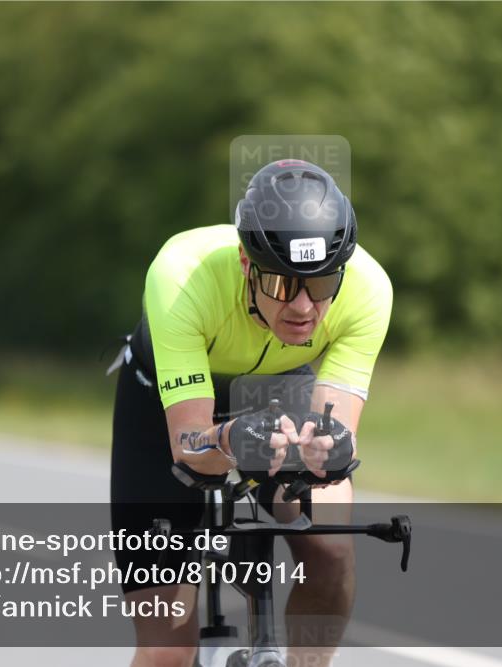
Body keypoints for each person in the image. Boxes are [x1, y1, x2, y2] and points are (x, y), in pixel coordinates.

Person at [110, 158, 392, 667]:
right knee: (166, 647)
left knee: (329, 549)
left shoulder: (370, 289)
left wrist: (326, 451)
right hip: (166, 400)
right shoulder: (181, 273)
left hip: (279, 389)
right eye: (284, 285)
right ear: (246, 264)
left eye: (323, 284)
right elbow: (190, 443)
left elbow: (341, 437)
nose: (305, 307)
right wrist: (233, 439)